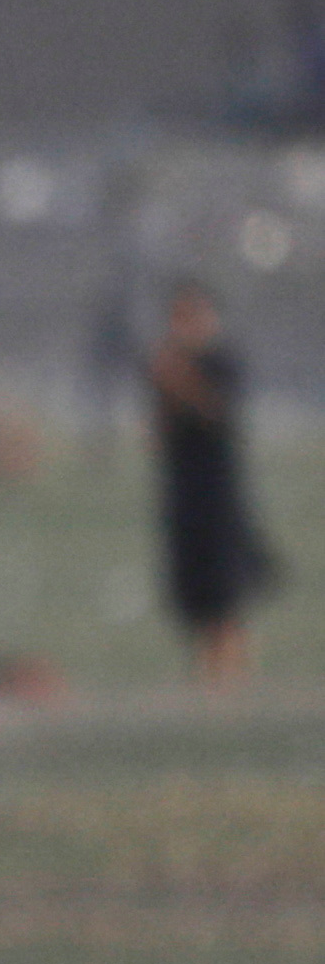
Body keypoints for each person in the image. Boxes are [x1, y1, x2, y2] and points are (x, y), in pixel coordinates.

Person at [147, 280, 279, 687]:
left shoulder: (222, 361)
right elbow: (160, 430)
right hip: (181, 491)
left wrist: (179, 378)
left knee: (226, 589)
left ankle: (233, 672)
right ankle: (207, 673)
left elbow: (218, 413)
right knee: (194, 590)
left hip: (219, 491)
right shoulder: (164, 362)